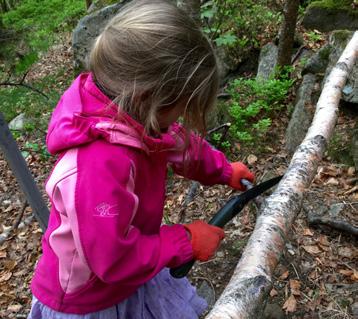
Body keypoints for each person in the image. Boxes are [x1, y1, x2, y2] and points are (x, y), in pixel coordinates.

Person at [28, 0, 254, 318]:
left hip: (129, 271)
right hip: (91, 301)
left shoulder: (133, 114)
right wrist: (184, 241)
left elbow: (177, 141)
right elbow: (112, 258)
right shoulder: (99, 162)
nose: (179, 117)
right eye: (181, 105)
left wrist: (223, 169)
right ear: (149, 97)